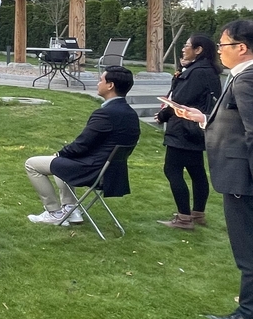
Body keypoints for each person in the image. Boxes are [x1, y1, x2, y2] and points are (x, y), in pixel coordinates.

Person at [173, 20, 253, 319]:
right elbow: (237, 123)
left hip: (241, 179)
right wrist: (205, 119)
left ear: (241, 48)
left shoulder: (246, 80)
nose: (219, 51)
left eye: (223, 45)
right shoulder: (240, 78)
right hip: (239, 175)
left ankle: (246, 315)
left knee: (246, 249)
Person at [24, 66, 140, 225]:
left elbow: (81, 144)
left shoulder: (105, 114)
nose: (98, 83)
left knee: (32, 164)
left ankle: (54, 212)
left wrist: (59, 154)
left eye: (101, 80)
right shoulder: (131, 114)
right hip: (113, 172)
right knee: (63, 160)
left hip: (92, 171)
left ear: (110, 85)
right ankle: (71, 210)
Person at [154, 34, 221, 229]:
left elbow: (179, 100)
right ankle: (198, 214)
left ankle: (184, 218)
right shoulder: (208, 71)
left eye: (187, 46)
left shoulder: (196, 72)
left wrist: (163, 116)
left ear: (198, 50)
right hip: (197, 129)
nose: (184, 48)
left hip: (183, 128)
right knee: (196, 171)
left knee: (172, 170)